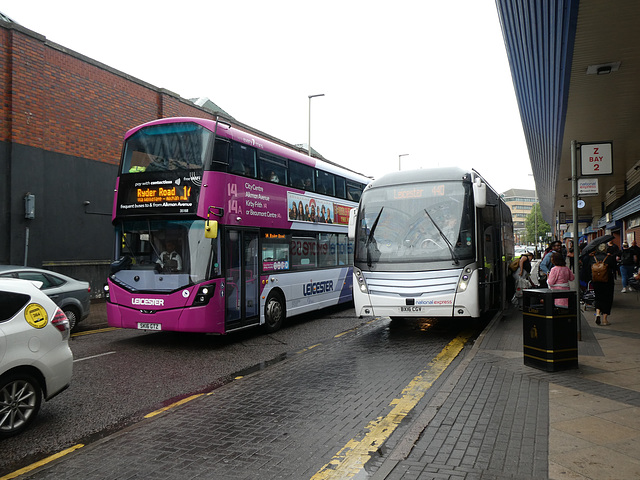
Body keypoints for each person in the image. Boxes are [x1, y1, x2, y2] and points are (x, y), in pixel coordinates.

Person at [586, 242, 617, 326]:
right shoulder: (609, 258)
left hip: (596, 281)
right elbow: (615, 268)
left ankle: (598, 313)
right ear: (605, 249)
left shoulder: (593, 258)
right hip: (608, 281)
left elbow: (589, 270)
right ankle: (605, 319)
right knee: (608, 299)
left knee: (598, 297)